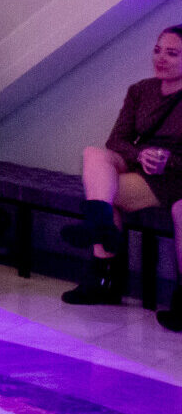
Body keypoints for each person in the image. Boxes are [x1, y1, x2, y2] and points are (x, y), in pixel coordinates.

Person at [62, 25, 182, 328]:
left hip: (175, 177)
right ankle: (101, 225)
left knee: (102, 192)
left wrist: (167, 160)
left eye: (172, 53)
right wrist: (140, 155)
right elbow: (116, 140)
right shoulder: (141, 90)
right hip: (141, 169)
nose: (161, 58)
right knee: (94, 155)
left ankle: (103, 276)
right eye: (157, 50)